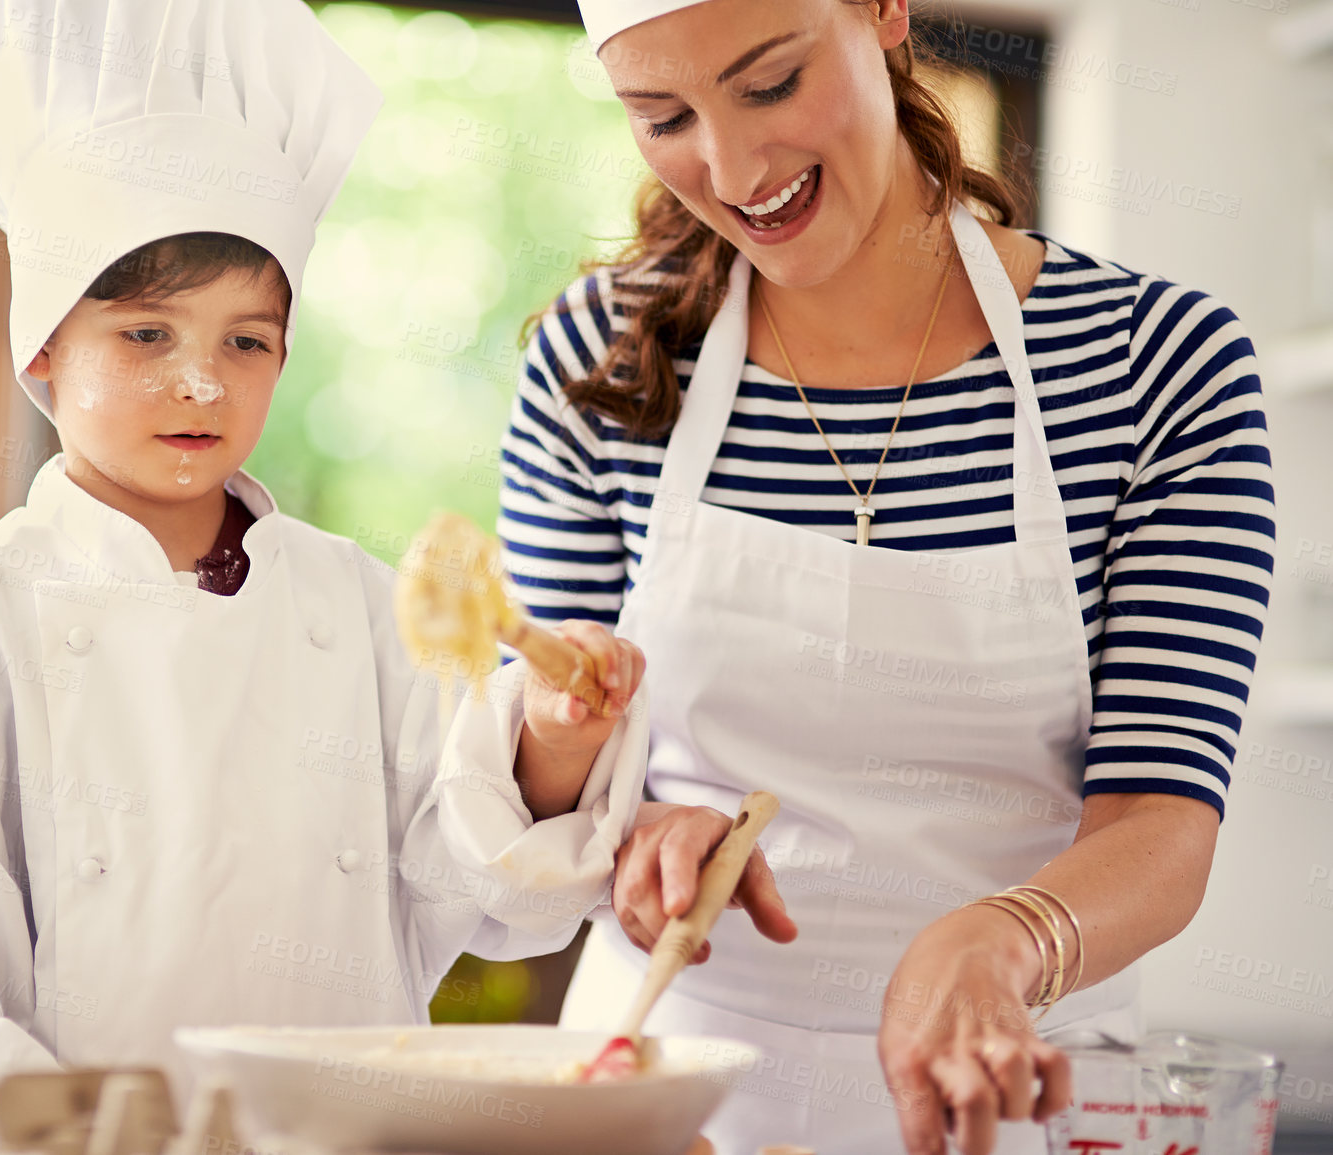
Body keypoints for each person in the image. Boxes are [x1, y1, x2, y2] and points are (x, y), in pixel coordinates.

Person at [501, 1, 1274, 1152]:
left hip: (1018, 1087)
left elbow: (1161, 819)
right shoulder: (599, 363)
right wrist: (635, 827)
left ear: (883, 10)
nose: (732, 167)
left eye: (770, 85)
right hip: (668, 1080)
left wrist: (1002, 939)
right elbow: (548, 771)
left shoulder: (1154, 366)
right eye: (663, 116)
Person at [0, 0, 648, 1087]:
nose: (202, 382)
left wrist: (552, 740)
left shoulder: (359, 607)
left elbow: (478, 885)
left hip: (346, 1127)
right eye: (145, 335)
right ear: (40, 351)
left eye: (246, 341)